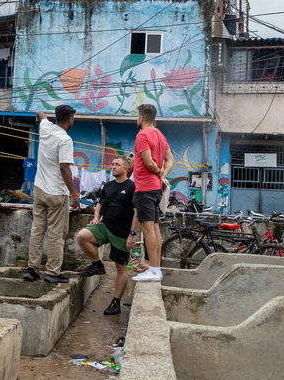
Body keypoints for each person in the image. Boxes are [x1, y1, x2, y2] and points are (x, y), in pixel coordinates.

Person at [24, 105, 79, 284]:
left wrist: (41, 114)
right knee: (56, 233)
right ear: (70, 119)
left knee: (37, 230)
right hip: (56, 192)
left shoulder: (45, 127)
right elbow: (64, 167)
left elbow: (40, 113)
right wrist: (74, 194)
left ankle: (32, 269)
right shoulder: (65, 139)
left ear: (56, 117)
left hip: (39, 190)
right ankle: (53, 272)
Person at [76, 156, 137, 315]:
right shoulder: (108, 186)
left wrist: (132, 233)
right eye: (113, 164)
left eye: (117, 164)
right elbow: (100, 203)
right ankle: (97, 264)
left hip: (122, 233)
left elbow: (137, 212)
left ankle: (116, 303)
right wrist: (96, 216)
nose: (113, 166)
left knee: (121, 267)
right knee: (82, 236)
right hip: (105, 226)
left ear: (126, 168)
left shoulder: (132, 187)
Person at [131, 104, 173, 282]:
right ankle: (156, 268)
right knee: (155, 228)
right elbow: (170, 160)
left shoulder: (142, 135)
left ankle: (154, 270)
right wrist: (162, 175)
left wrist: (157, 173)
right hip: (155, 188)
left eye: (137, 116)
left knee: (148, 230)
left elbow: (148, 162)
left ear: (141, 117)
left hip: (145, 188)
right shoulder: (160, 135)